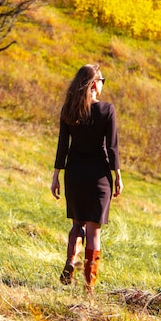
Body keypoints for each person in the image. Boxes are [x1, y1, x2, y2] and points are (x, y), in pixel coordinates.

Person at [51, 64, 123, 291]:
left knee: (77, 225)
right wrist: (118, 175)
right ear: (94, 83)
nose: (103, 84)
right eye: (102, 80)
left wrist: (56, 176)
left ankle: (71, 260)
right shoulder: (106, 110)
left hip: (74, 173)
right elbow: (112, 147)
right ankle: (89, 286)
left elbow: (63, 146)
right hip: (98, 176)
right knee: (94, 230)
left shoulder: (69, 110)